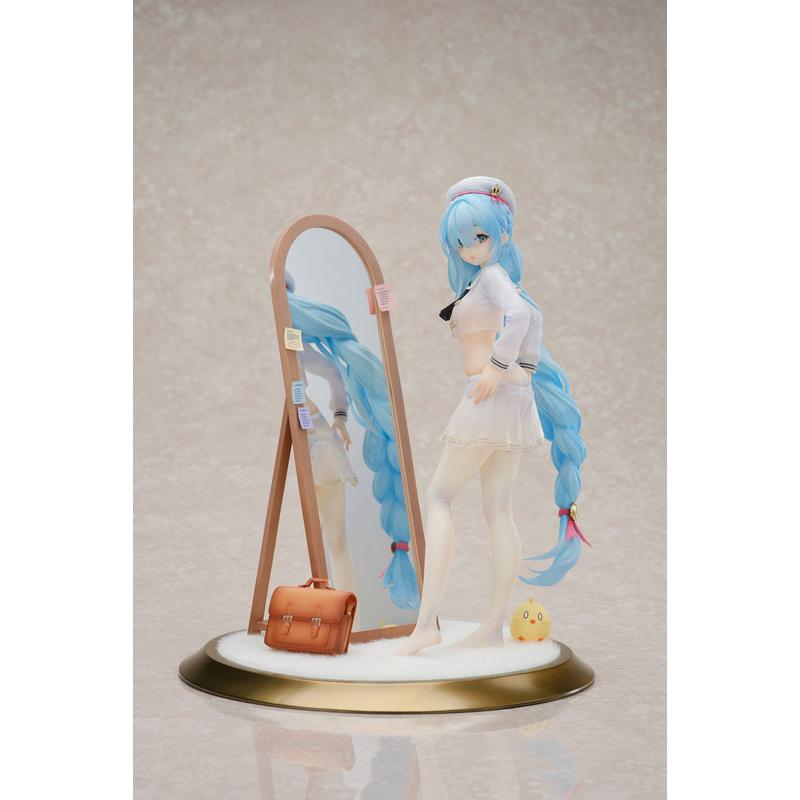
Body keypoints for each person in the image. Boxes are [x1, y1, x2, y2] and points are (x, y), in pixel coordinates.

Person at [396, 177, 587, 656]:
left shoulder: (493, 278)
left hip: (489, 395)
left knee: (439, 497)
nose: (470, 248)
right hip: (511, 398)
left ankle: (427, 624)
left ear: (502, 233)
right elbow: (532, 318)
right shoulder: (485, 279)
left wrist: (499, 367)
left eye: (479, 237)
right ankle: (491, 628)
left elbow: (520, 315)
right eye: (461, 241)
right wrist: (524, 370)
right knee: (497, 506)